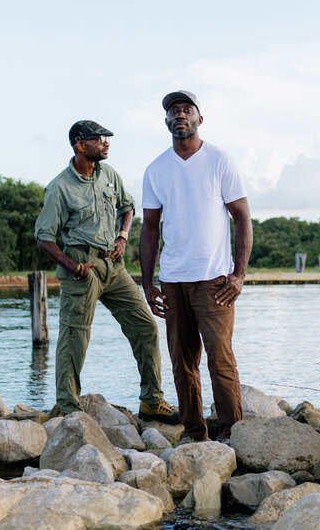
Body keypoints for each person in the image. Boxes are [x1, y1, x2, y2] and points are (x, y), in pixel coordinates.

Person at [34, 120, 179, 424]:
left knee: (145, 326)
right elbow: (44, 237)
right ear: (79, 144)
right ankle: (69, 410)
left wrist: (123, 236)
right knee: (75, 337)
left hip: (113, 266)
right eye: (99, 139)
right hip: (82, 268)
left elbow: (127, 208)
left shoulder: (109, 174)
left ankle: (152, 401)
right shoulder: (60, 187)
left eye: (106, 139)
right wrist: (72, 266)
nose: (106, 143)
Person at [139, 91, 253, 443]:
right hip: (173, 282)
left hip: (214, 281)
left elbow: (242, 217)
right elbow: (150, 228)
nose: (180, 115)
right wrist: (147, 283)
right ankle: (194, 433)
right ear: (166, 122)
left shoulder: (220, 161)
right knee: (182, 364)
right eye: (173, 112)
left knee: (221, 361)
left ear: (199, 119)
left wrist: (239, 275)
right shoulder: (156, 169)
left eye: (187, 110)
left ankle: (232, 436)